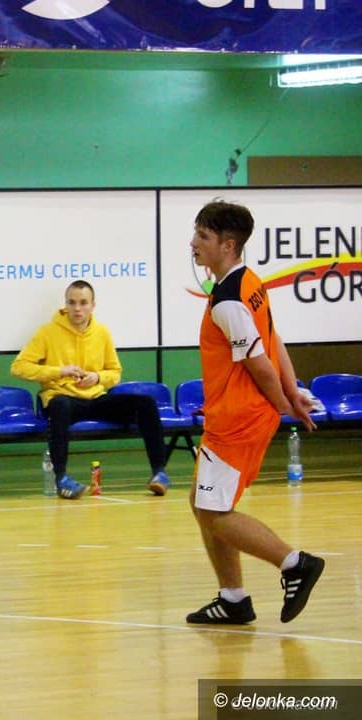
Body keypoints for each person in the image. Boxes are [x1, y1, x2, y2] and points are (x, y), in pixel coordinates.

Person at [185, 200, 323, 625]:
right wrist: (293, 391)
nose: (193, 243)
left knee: (213, 513)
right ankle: (233, 598)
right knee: (203, 503)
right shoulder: (249, 282)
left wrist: (283, 402)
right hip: (234, 416)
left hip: (237, 420)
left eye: (203, 236)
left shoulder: (228, 300)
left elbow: (259, 363)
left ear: (228, 245)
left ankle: (294, 563)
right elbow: (273, 338)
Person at [11, 280, 170, 499]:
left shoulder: (102, 332)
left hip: (95, 397)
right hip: (63, 398)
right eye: (72, 302)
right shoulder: (47, 332)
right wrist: (59, 371)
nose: (77, 308)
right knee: (59, 405)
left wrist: (97, 377)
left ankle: (159, 473)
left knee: (146, 403)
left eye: (83, 303)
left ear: (93, 305)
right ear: (65, 304)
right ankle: (61, 479)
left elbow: (115, 372)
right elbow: (19, 367)